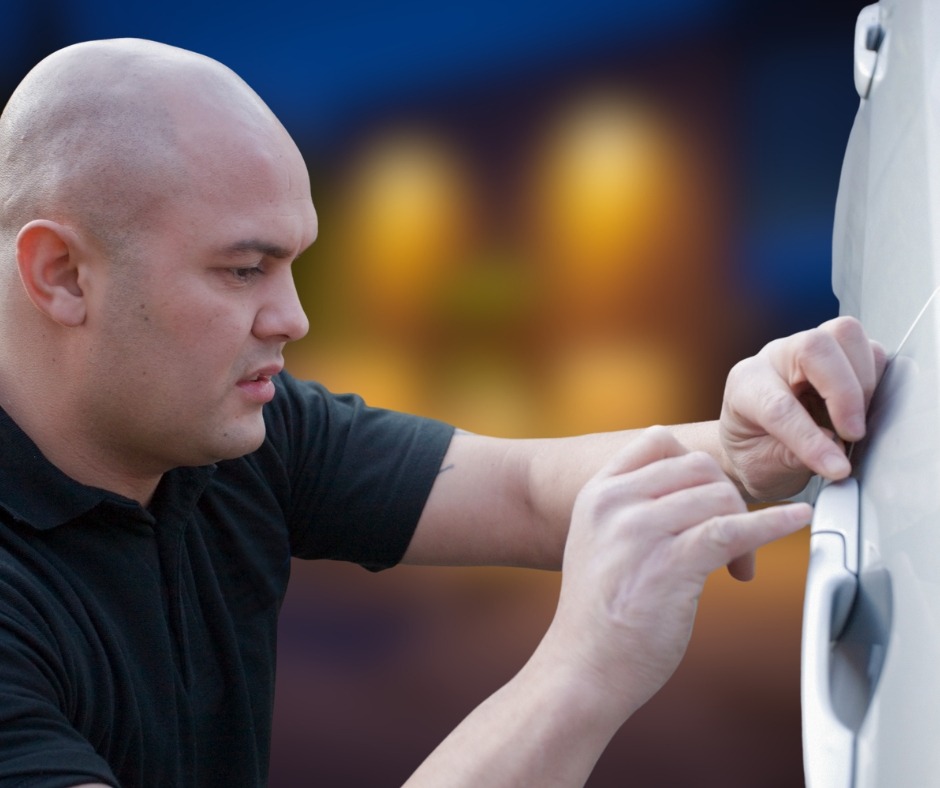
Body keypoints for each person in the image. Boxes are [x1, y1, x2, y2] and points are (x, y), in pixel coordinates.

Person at [0, 38, 884, 788]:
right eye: (243, 270)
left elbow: (531, 493)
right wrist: (585, 670)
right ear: (63, 275)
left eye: (294, 265)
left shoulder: (230, 437)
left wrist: (752, 447)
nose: (294, 318)